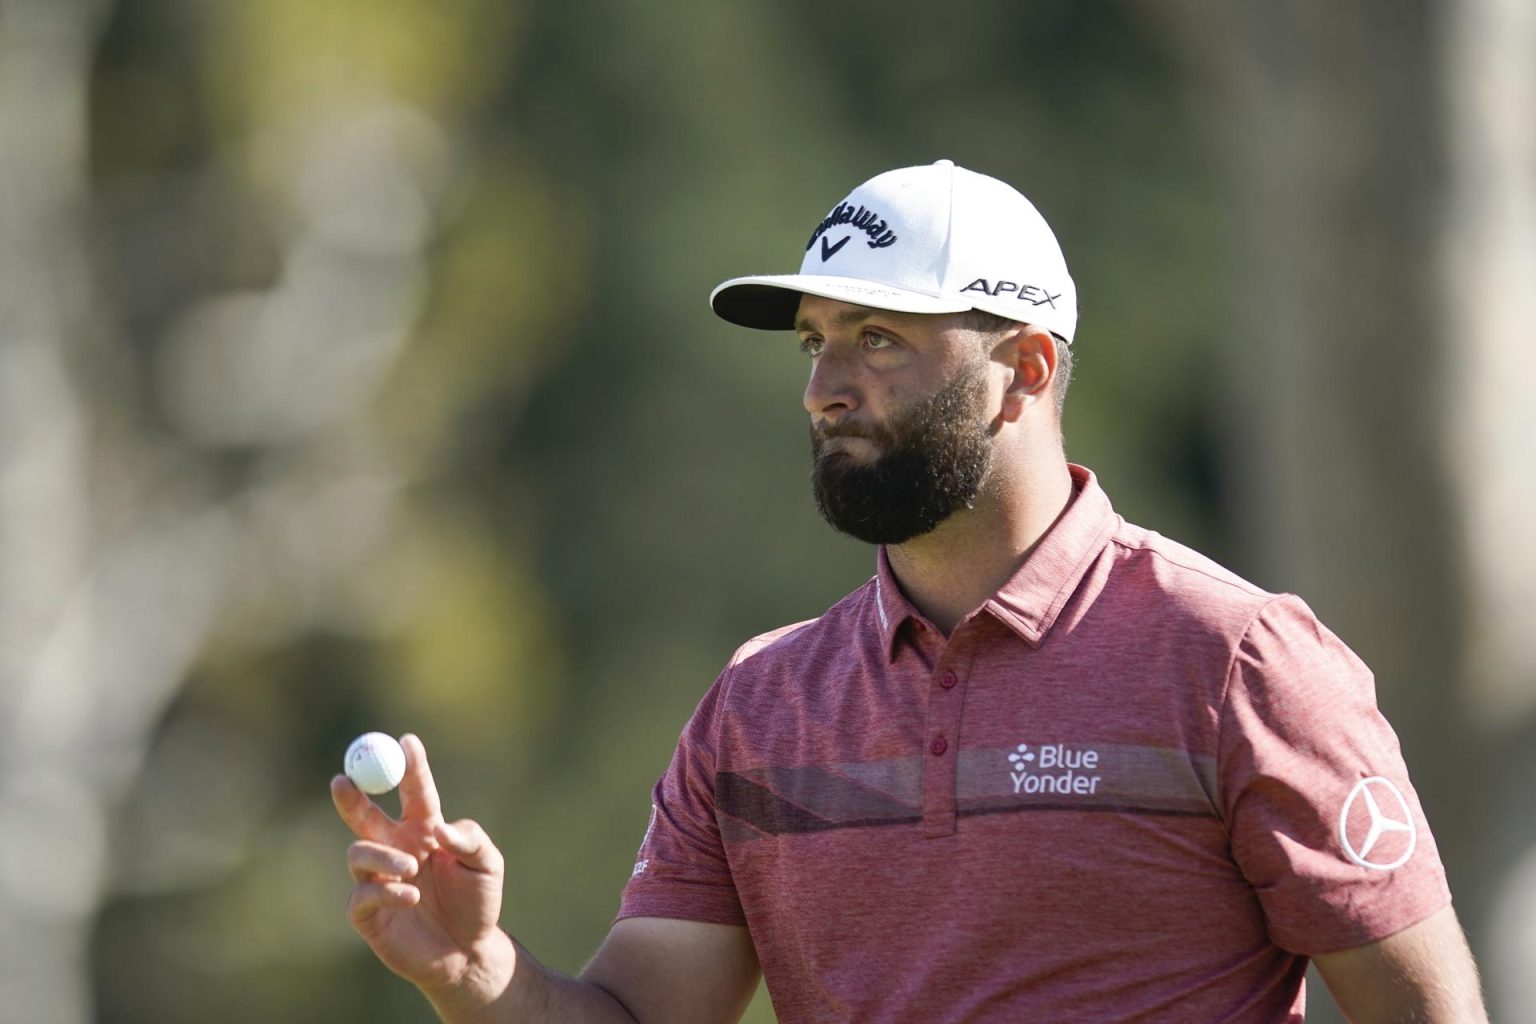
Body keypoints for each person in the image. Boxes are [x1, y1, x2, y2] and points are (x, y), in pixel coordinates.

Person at [332, 160, 1487, 1022]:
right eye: (816, 344)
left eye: (879, 338)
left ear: (1023, 371)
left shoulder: (1238, 663)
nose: (825, 388)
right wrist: (479, 975)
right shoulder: (759, 708)